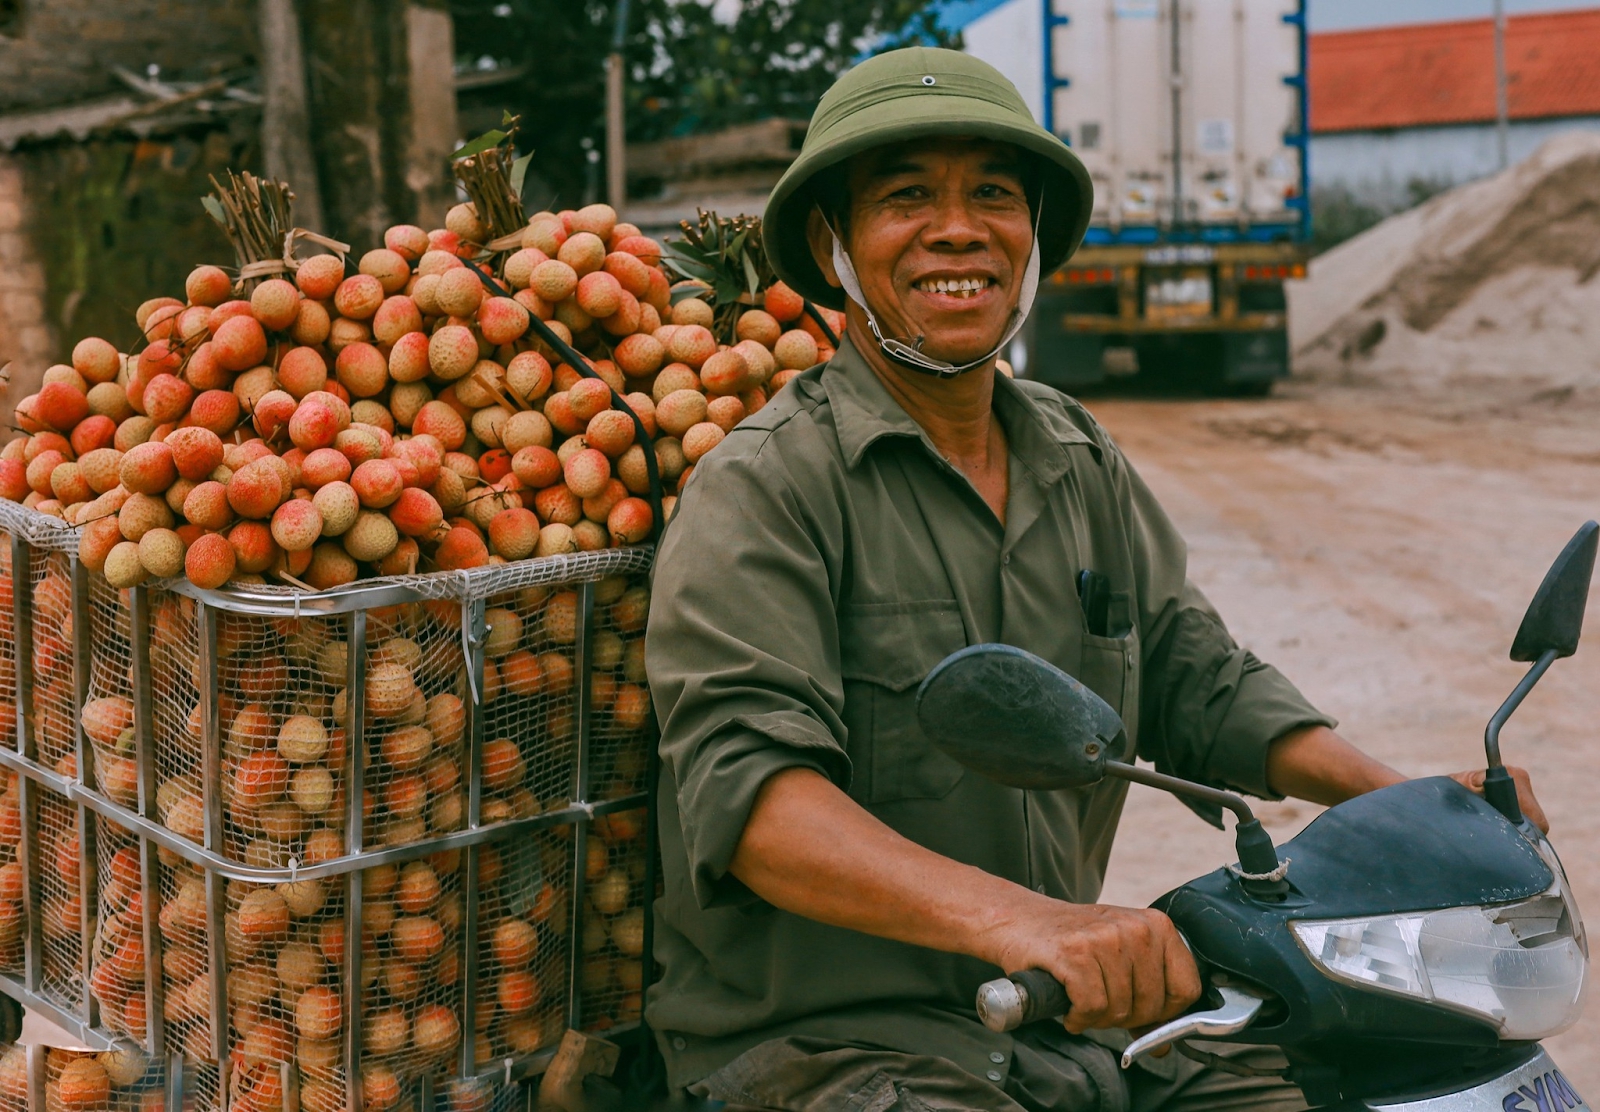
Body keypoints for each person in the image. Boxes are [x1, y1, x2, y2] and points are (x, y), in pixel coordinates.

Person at [643, 47, 1547, 1112]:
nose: (956, 227)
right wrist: (1032, 921)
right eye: (903, 197)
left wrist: (1406, 801)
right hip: (823, 1051)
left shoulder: (1074, 454)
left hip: (1055, 1026)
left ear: (1031, 238)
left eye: (992, 192)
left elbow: (1187, 669)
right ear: (833, 245)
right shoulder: (767, 484)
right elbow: (758, 806)